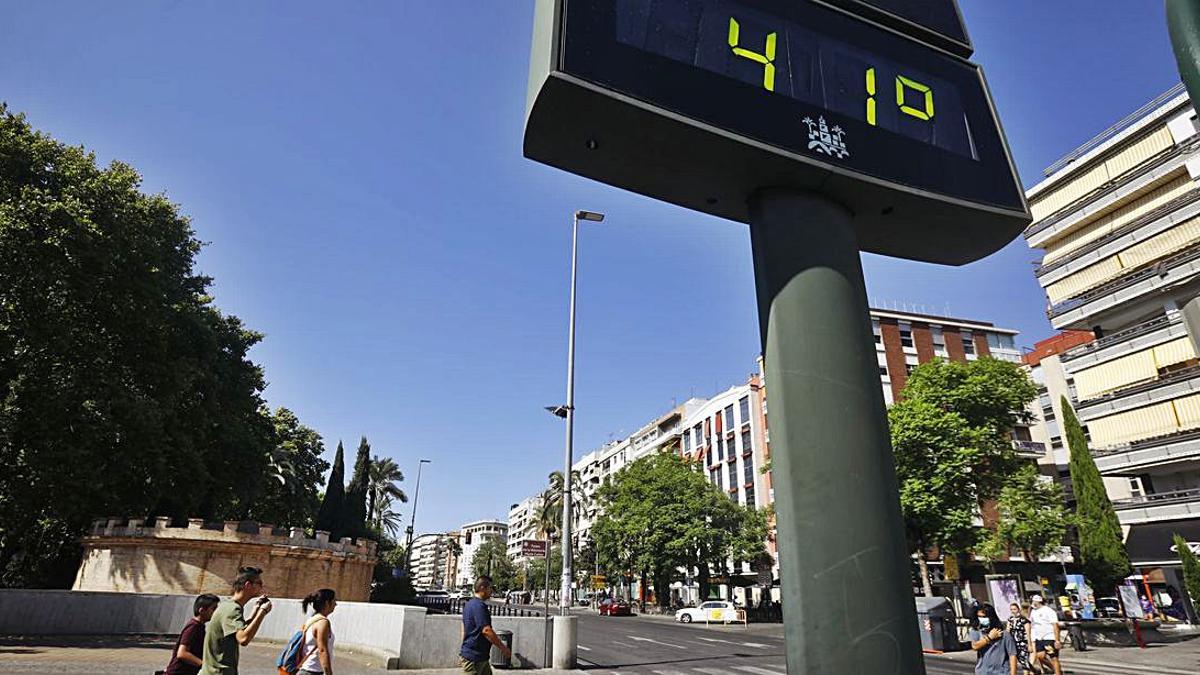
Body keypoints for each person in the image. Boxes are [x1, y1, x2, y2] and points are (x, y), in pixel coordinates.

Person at [198, 566, 273, 675]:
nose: (261, 587)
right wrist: (263, 612)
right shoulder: (233, 609)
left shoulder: (227, 606)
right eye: (259, 583)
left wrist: (256, 609)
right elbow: (243, 638)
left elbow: (239, 630)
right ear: (248, 585)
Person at [460, 576, 512, 675]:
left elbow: (463, 627)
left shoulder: (469, 604)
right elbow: (486, 630)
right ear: (482, 588)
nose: (492, 591)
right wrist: (503, 648)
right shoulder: (479, 606)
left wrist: (462, 649)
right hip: (473, 658)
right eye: (490, 588)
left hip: (480, 657)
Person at [163, 594, 220, 675]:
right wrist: (204, 665)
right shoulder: (194, 627)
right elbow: (182, 653)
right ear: (202, 610)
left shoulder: (200, 626)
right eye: (213, 609)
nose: (216, 612)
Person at [968, 603, 1017, 675]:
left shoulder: (1004, 634)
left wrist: (1013, 673)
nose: (982, 619)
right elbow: (975, 646)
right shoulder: (976, 631)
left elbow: (1012, 654)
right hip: (983, 671)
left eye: (984, 617)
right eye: (979, 617)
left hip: (1002, 672)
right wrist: (989, 638)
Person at [298, 588, 337, 675]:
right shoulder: (323, 622)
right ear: (327, 603)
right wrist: (329, 673)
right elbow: (322, 650)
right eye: (334, 601)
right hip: (312, 671)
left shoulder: (312, 619)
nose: (336, 604)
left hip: (306, 669)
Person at [1028, 594, 1062, 675]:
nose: (1032, 603)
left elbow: (1055, 625)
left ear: (1038, 601)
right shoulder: (1033, 611)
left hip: (1049, 637)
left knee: (1053, 657)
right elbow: (1032, 624)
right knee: (1040, 656)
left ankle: (1057, 672)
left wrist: (1057, 640)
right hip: (1039, 638)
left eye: (1033, 601)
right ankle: (1054, 668)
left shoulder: (1048, 611)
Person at [1006, 602, 1038, 675]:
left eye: (1014, 609)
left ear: (1018, 609)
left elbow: (1028, 633)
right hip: (1013, 643)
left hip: (1022, 642)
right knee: (1018, 660)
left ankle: (1028, 672)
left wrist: (1029, 645)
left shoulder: (1023, 620)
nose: (1013, 611)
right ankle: (1034, 670)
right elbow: (1007, 631)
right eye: (1011, 609)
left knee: (1024, 660)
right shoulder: (1010, 619)